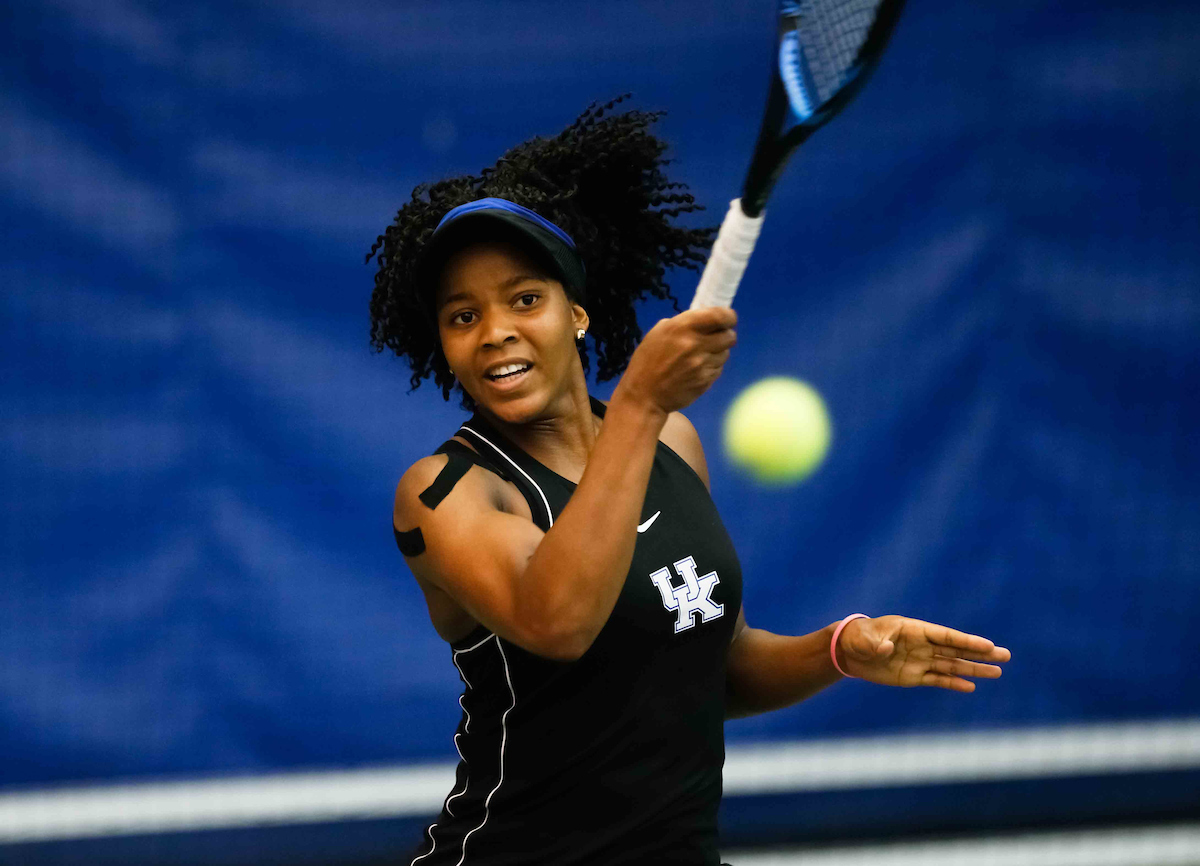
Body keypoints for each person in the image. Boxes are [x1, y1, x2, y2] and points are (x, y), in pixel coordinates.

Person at [368, 97, 1010, 866]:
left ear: (577, 313)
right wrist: (640, 402)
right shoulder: (447, 491)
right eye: (461, 316)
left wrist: (840, 648)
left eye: (525, 299)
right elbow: (559, 621)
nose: (495, 330)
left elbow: (709, 665)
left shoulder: (672, 441)